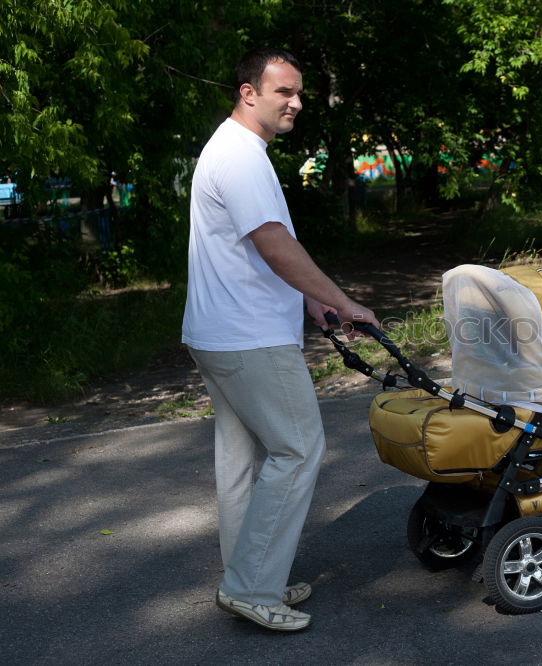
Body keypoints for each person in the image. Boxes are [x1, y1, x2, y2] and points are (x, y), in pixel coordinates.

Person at [182, 47, 378, 632]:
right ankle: (253, 585)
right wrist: (343, 300)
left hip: (218, 334)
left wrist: (310, 299)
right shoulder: (241, 157)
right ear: (249, 92)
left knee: (241, 460)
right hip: (249, 339)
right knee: (298, 449)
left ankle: (246, 576)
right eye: (283, 93)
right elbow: (273, 244)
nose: (295, 103)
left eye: (298, 94)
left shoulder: (236, 148)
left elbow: (254, 250)